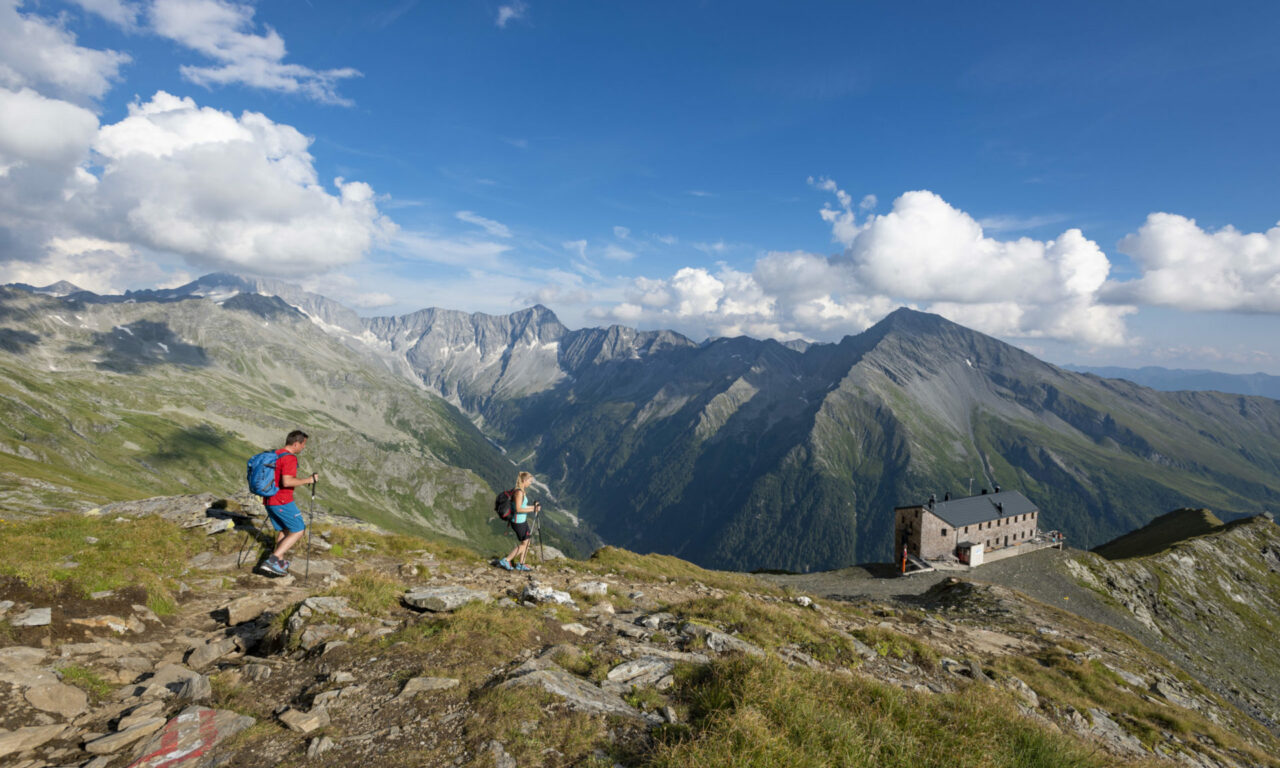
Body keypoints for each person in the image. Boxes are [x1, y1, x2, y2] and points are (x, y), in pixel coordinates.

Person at [259, 430, 318, 576]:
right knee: (299, 529)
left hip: (269, 500)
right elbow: (287, 481)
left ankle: (278, 562)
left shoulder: (276, 453)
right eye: (303, 444)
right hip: (282, 500)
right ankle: (272, 561)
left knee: (285, 530)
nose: (304, 447)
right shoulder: (289, 458)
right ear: (296, 443)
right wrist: (309, 480)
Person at [498, 471, 539, 572]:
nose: (530, 483)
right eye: (530, 481)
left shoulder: (521, 490)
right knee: (524, 544)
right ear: (524, 480)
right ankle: (506, 560)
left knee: (527, 542)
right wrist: (533, 509)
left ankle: (521, 564)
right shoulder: (519, 492)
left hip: (522, 520)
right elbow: (518, 509)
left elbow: (523, 506)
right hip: (518, 522)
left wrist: (534, 507)